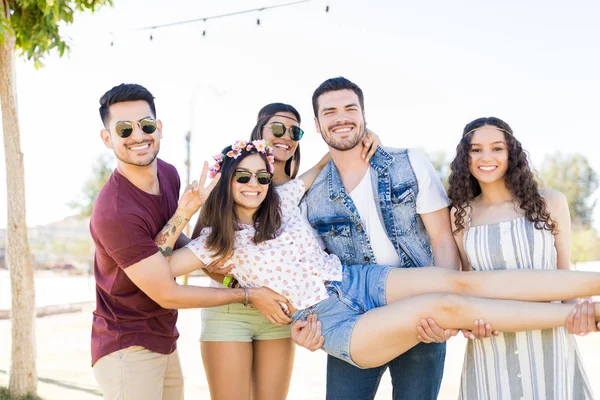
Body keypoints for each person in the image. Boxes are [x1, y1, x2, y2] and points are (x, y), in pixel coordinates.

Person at [162, 138, 600, 381]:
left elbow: (330, 154)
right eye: (243, 176)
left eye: (261, 174)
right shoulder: (211, 243)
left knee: (459, 282)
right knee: (444, 307)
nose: (255, 183)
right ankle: (580, 317)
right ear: (226, 182)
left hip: (357, 279)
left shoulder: (284, 197)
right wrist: (188, 212)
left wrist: (364, 137)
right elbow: (155, 272)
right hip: (330, 321)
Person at [90, 84, 290, 400]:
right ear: (107, 138)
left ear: (159, 128)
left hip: (162, 336)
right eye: (124, 129)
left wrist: (221, 252)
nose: (138, 136)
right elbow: (167, 291)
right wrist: (247, 295)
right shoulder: (115, 212)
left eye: (146, 125)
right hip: (126, 344)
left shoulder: (168, 175)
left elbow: (165, 245)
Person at [186, 103, 379, 400]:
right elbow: (203, 250)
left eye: (294, 131)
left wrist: (365, 135)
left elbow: (329, 161)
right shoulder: (231, 183)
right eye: (277, 128)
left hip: (280, 315)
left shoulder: (296, 189)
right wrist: (239, 287)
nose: (285, 136)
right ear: (258, 133)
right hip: (231, 311)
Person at [298, 76, 460, 400]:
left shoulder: (409, 163)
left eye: (349, 108)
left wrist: (446, 309)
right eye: (330, 112)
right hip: (354, 321)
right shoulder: (311, 197)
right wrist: (304, 323)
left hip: (421, 312)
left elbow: (443, 239)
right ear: (317, 124)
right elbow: (311, 274)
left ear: (363, 114)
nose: (341, 118)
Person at [447, 116, 596, 400]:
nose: (486, 157)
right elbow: (466, 284)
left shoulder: (549, 203)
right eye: (475, 150)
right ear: (464, 157)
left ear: (511, 153)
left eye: (496, 148)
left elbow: (565, 274)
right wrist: (469, 323)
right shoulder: (460, 215)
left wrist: (578, 315)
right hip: (490, 345)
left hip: (550, 343)